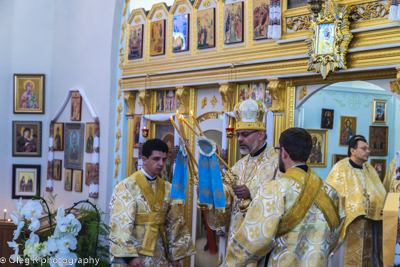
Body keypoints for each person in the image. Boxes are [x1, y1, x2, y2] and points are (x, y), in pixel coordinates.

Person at [225, 128, 345, 266]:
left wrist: (230, 262)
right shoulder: (331, 192)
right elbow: (335, 235)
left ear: (284, 153)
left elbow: (255, 241)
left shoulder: (274, 190)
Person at [204, 99, 281, 266]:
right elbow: (226, 202)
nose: (239, 139)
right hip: (236, 242)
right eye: (238, 134)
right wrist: (210, 194)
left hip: (260, 245)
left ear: (261, 134)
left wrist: (251, 193)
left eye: (245, 134)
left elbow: (282, 198)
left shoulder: (277, 162)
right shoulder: (238, 166)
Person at [109, 139, 196, 267]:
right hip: (136, 255)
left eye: (164, 159)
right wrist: (130, 257)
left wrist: (175, 257)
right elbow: (120, 223)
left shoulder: (167, 188)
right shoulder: (127, 186)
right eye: (156, 159)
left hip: (160, 254)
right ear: (144, 159)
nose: (161, 163)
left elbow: (174, 223)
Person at [327, 135, 386, 267]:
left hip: (370, 224)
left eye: (368, 148)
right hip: (349, 225)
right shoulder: (340, 168)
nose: (368, 151)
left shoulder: (370, 169)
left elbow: (380, 192)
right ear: (352, 150)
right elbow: (331, 194)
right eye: (364, 148)